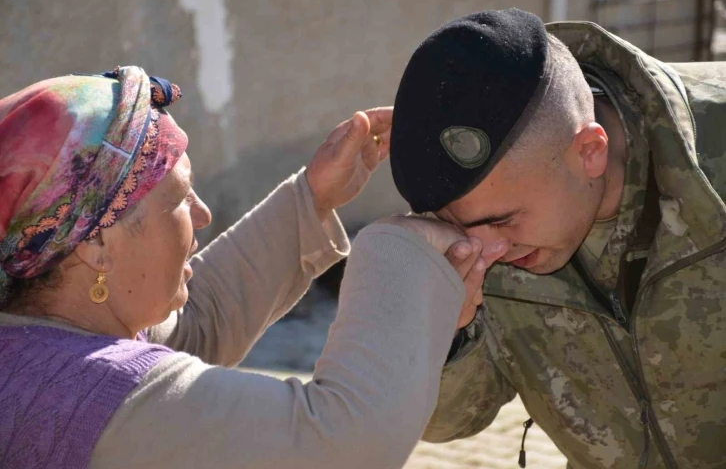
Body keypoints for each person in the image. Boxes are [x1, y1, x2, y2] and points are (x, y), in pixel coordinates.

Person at [0, 66, 503, 469]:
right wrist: (402, 250)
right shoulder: (78, 392)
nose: (202, 213)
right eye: (178, 198)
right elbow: (341, 443)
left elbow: (195, 325)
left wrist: (312, 198)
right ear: (98, 246)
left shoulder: (36, 340)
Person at [388, 9, 726, 469]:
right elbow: (446, 422)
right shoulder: (481, 238)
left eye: (504, 221)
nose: (487, 251)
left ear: (590, 151)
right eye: (461, 227)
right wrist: (445, 330)